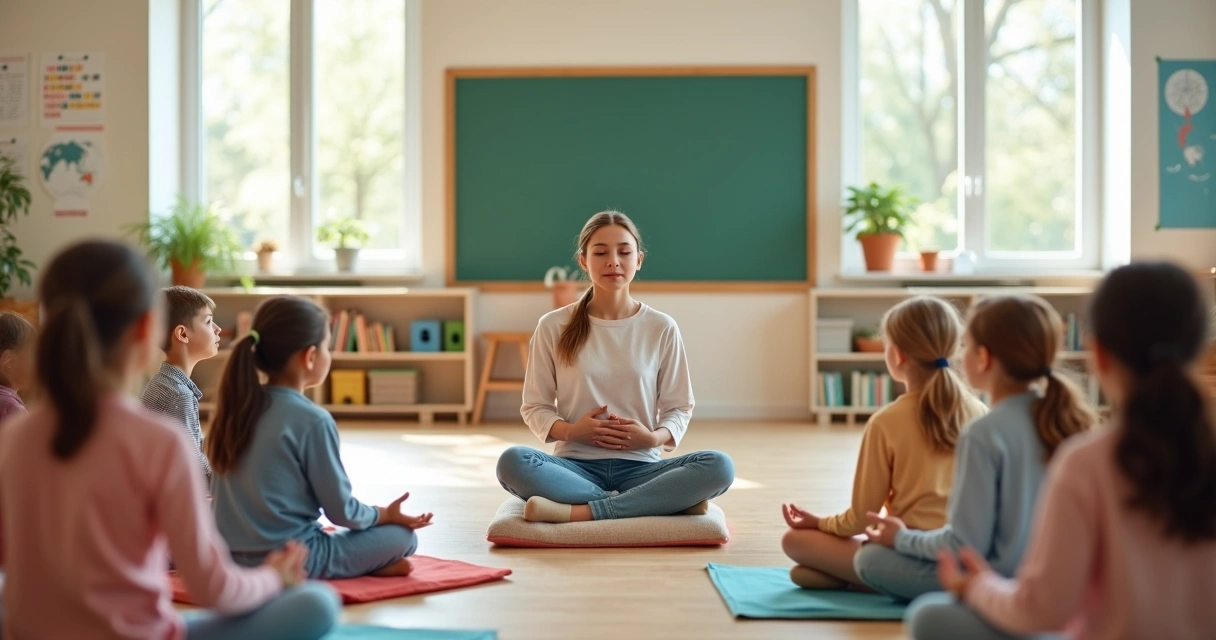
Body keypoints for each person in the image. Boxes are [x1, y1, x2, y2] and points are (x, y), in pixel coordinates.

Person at [0, 239, 338, 639]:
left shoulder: (16, 434)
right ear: (148, 330)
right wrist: (271, 577)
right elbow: (214, 588)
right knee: (318, 605)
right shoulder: (159, 441)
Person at [908, 262, 1216, 640]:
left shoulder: (1088, 462)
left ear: (1098, 354)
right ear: (1200, 349)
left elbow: (1043, 610)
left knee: (928, 618)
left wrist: (978, 587)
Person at [496, 210, 734, 523]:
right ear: (583, 261)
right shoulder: (553, 325)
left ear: (639, 260)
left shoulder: (661, 327)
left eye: (624, 251)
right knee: (513, 461)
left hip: (643, 469)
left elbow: (679, 407)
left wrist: (652, 439)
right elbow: (535, 407)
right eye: (600, 252)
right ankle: (655, 504)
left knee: (719, 466)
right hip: (574, 468)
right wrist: (572, 432)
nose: (613, 261)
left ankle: (586, 511)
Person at [856, 294, 1095, 601]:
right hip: (1051, 575)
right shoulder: (1067, 420)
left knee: (874, 567)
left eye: (965, 345)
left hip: (996, 581)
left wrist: (901, 538)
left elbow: (964, 546)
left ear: (983, 358)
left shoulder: (983, 433)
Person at [209, 294, 431, 579]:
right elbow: (342, 513)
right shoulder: (312, 420)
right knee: (404, 538)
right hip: (294, 560)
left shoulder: (233, 409)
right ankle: (366, 565)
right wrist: (384, 514)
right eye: (327, 346)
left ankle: (370, 565)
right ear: (310, 356)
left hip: (228, 559)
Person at [783, 296, 986, 589]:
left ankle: (872, 581)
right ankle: (873, 581)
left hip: (910, 555)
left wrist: (818, 523)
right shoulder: (981, 413)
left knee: (795, 541)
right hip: (969, 559)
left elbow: (860, 520)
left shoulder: (886, 422)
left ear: (898, 354)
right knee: (810, 571)